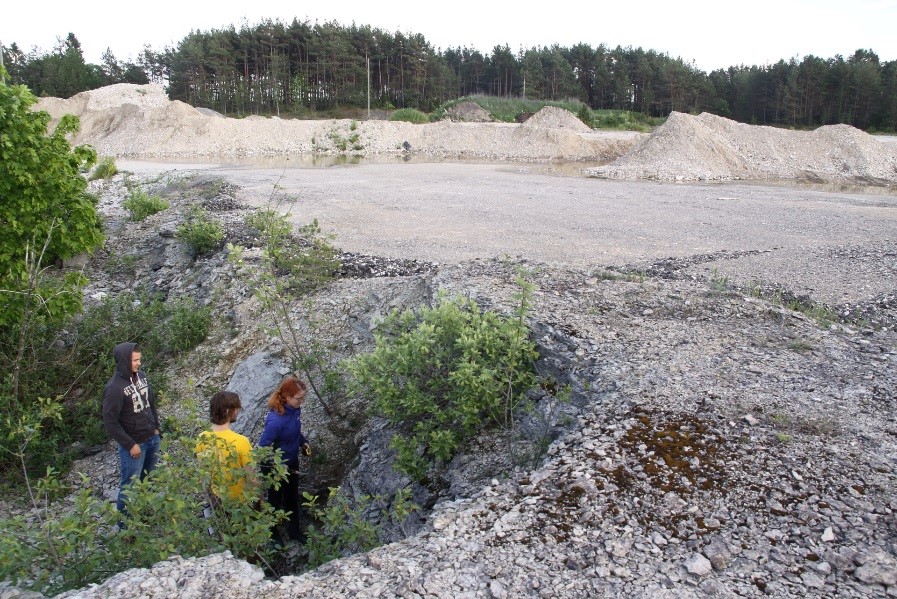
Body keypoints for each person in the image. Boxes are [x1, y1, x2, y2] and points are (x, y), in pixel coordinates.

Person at [102, 342, 161, 515]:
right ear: (124, 361)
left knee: (148, 479)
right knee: (130, 486)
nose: (139, 363)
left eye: (139, 359)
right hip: (135, 445)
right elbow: (110, 421)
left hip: (152, 438)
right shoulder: (114, 388)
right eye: (135, 360)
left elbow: (151, 403)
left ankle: (143, 515)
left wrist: (157, 428)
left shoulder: (142, 376)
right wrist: (129, 444)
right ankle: (124, 527)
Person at [258, 376, 311, 541]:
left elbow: (294, 431)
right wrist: (275, 467)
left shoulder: (295, 410)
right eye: (298, 398)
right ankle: (274, 535)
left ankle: (294, 531)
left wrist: (303, 443)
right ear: (287, 397)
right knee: (275, 501)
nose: (301, 401)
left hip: (292, 461)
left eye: (303, 397)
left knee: (292, 497)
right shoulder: (275, 421)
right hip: (276, 468)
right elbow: (262, 448)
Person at [196, 391, 255, 502]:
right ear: (229, 411)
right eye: (237, 408)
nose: (238, 411)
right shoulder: (241, 441)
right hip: (239, 502)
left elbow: (204, 474)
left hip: (216, 500)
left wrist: (210, 499)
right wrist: (260, 501)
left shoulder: (201, 438)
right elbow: (251, 477)